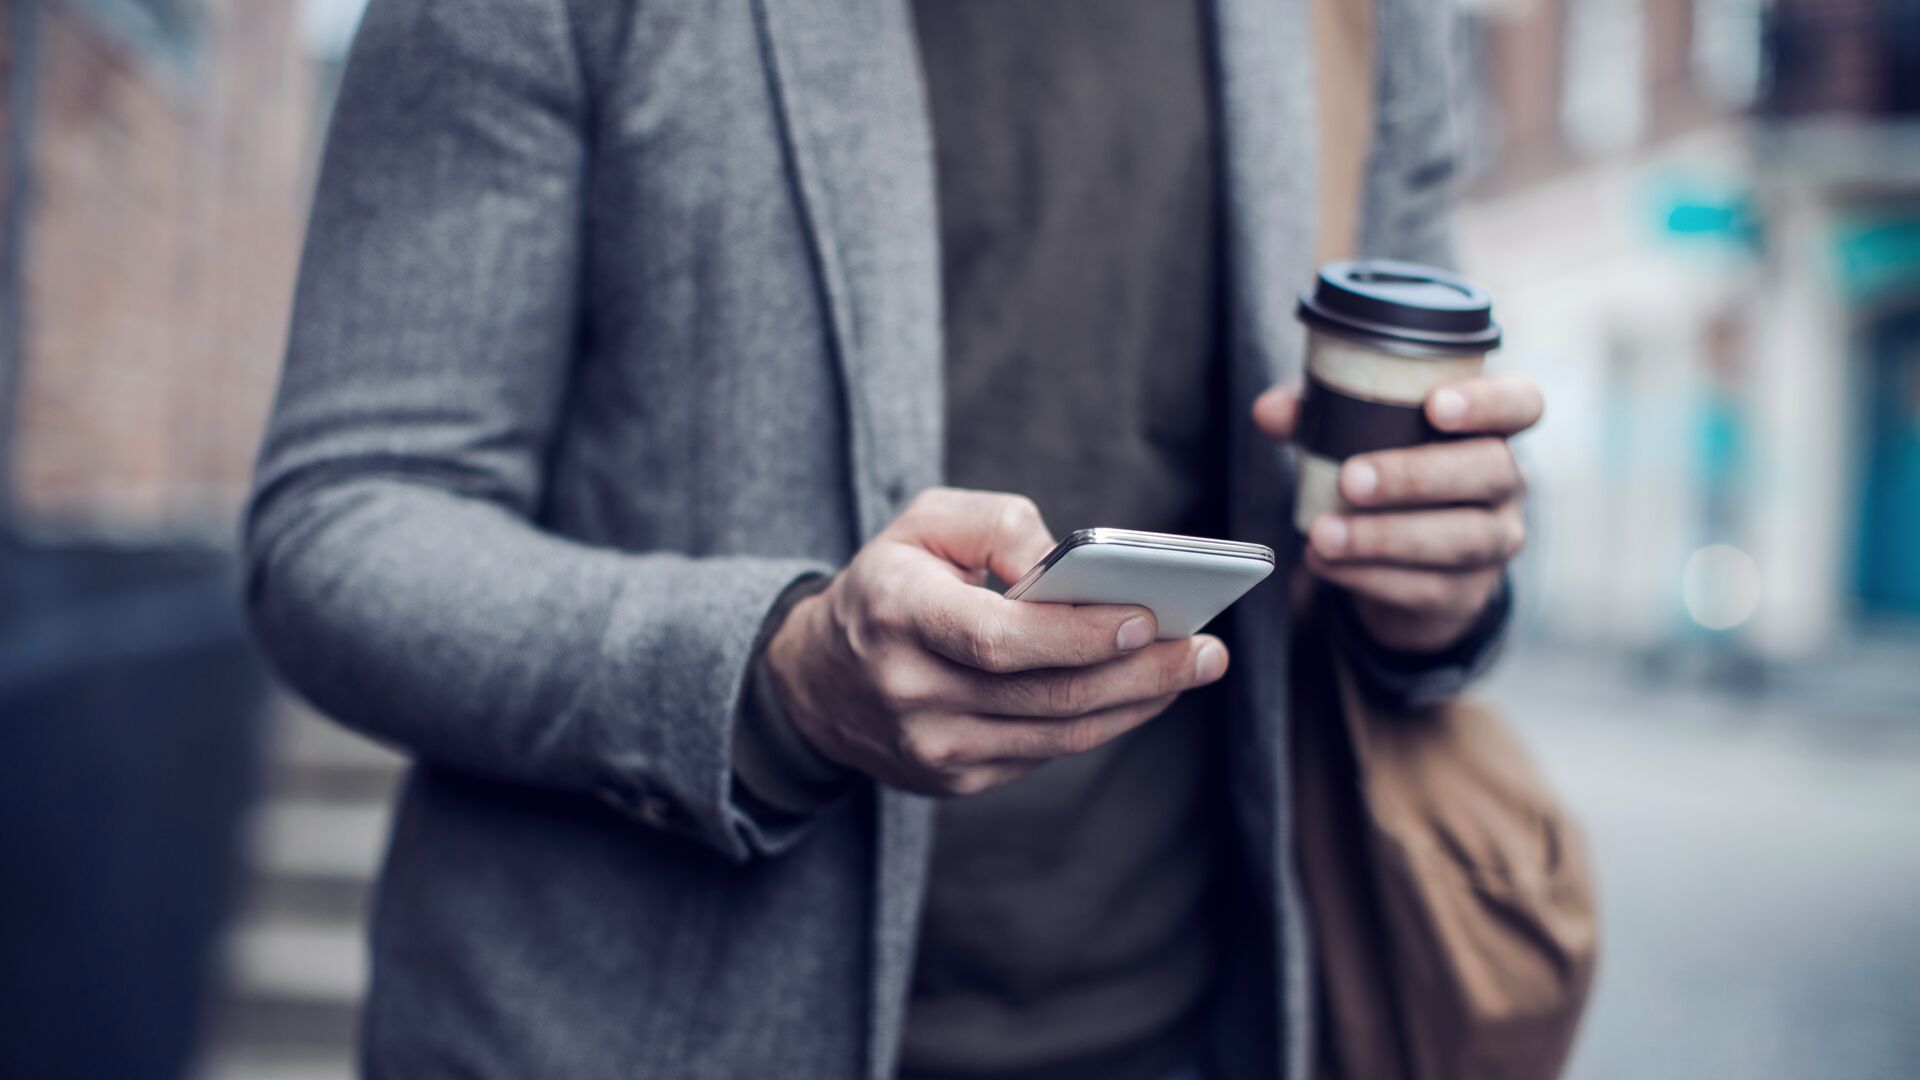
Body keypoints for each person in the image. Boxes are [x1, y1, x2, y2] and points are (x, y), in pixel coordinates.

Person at [245, 1, 1542, 1077]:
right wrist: (773, 683)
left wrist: (1435, 589)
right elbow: (345, 520)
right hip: (617, 1033)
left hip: (1187, 1030)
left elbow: (1403, 444)